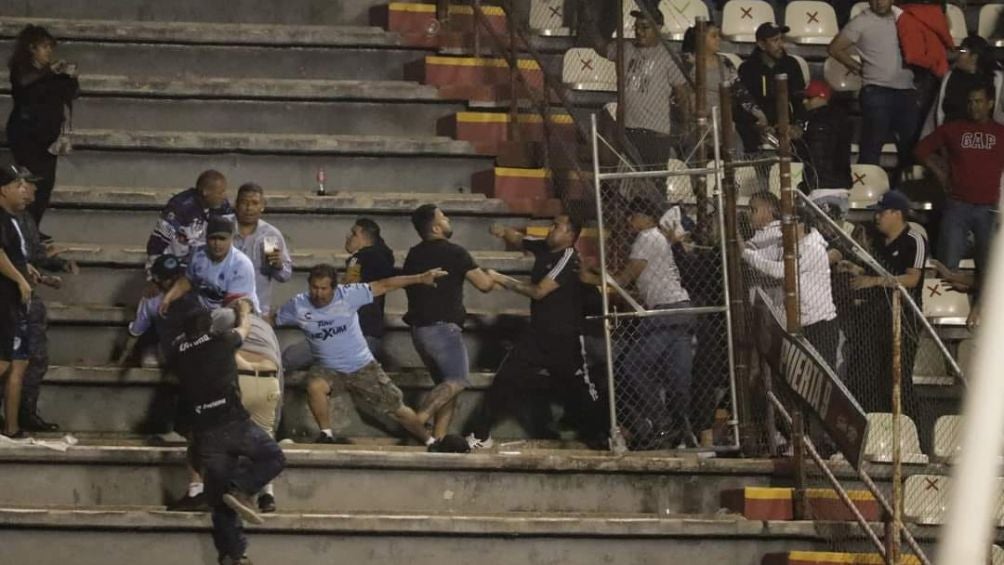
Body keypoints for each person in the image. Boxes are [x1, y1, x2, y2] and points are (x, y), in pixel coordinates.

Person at [276, 263, 452, 448]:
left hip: (362, 366)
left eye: (324, 289)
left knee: (397, 409)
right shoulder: (298, 304)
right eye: (314, 288)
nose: (318, 294)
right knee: (315, 385)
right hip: (328, 367)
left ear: (334, 287)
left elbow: (384, 284)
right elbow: (272, 318)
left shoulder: (349, 294)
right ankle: (326, 434)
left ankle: (429, 440)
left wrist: (419, 278)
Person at [467, 215, 605, 449]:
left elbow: (539, 292)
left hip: (564, 338)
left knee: (579, 390)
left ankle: (605, 433)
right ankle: (481, 435)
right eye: (551, 225)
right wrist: (502, 230)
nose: (551, 230)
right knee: (505, 379)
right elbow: (521, 239)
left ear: (570, 235)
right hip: (537, 335)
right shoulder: (545, 248)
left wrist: (503, 279)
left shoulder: (567, 257)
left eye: (557, 227)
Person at [168, 299, 285, 565]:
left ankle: (233, 555)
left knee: (219, 499)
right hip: (233, 423)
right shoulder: (220, 342)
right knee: (274, 457)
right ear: (209, 327)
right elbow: (243, 329)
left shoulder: (179, 352)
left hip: (205, 432)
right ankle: (241, 489)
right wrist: (243, 311)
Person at [402, 204, 496, 439]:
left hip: (419, 332)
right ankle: (418, 420)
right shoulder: (455, 252)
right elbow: (484, 285)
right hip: (443, 330)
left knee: (446, 388)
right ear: (435, 227)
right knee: (457, 380)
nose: (448, 220)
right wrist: (493, 276)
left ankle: (439, 440)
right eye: (443, 217)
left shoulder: (414, 254)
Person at [608, 199, 695, 449]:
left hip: (666, 312)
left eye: (632, 216)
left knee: (632, 365)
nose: (629, 221)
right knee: (677, 378)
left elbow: (625, 279)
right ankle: (680, 432)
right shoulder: (658, 237)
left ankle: (663, 422)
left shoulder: (646, 237)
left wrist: (597, 276)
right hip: (682, 309)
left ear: (644, 217)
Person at [846, 191, 926, 432]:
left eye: (881, 212)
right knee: (870, 377)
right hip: (875, 316)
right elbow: (876, 271)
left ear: (896, 214)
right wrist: (857, 270)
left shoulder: (914, 239)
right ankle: (875, 430)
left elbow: (912, 279)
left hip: (903, 318)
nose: (876, 217)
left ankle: (910, 432)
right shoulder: (878, 241)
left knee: (898, 379)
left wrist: (872, 281)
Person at [915, 83, 1004, 277]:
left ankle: (981, 307)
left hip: (989, 207)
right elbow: (921, 150)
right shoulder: (953, 129)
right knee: (948, 265)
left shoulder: (1000, 133)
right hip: (957, 205)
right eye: (970, 102)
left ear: (990, 104)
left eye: (979, 101)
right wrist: (939, 170)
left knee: (990, 271)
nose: (974, 106)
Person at [829, 0, 919, 183]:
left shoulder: (903, 17)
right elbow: (834, 48)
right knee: (872, 145)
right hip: (876, 91)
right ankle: (866, 189)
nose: (879, 2)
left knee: (910, 149)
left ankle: (905, 193)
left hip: (907, 91)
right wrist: (856, 67)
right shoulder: (861, 22)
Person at [742, 203, 840, 367]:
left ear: (800, 224)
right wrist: (746, 253)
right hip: (800, 325)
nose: (781, 228)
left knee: (822, 381)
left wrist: (746, 254)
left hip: (820, 326)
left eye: (785, 223)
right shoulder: (791, 245)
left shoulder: (813, 248)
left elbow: (780, 271)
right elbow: (761, 255)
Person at [14, 179, 77, 432]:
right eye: (28, 185)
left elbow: (33, 255)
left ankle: (24, 412)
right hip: (8, 297)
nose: (34, 190)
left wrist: (58, 265)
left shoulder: (25, 218)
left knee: (36, 358)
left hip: (24, 296)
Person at [593, 8, 690, 166]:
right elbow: (601, 47)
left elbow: (682, 94)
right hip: (628, 130)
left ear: (658, 28)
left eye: (645, 27)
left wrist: (685, 124)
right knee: (626, 183)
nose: (639, 31)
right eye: (636, 27)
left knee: (655, 182)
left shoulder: (668, 56)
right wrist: (589, 23)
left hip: (655, 134)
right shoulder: (626, 48)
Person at [5, 25, 79, 234]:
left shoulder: (51, 74)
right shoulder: (21, 70)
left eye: (50, 47)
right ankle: (24, 231)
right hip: (27, 139)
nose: (49, 51)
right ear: (31, 48)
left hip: (49, 140)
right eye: (44, 47)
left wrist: (70, 77)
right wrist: (50, 72)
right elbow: (24, 85)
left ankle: (33, 229)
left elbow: (70, 95)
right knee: (30, 186)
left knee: (45, 187)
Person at [681, 22, 768, 155]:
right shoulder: (688, 61)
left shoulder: (725, 62)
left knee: (737, 150)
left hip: (723, 125)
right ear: (701, 39)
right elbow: (682, 93)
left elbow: (740, 91)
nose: (718, 39)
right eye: (714, 36)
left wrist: (758, 113)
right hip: (697, 126)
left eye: (719, 36)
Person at [160, 216, 260, 315]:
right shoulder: (198, 254)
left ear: (231, 239)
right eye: (213, 238)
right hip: (204, 311)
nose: (217, 243)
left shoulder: (241, 264)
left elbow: (235, 303)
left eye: (222, 239)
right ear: (206, 238)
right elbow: (187, 281)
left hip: (238, 313)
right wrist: (168, 298)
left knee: (228, 317)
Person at [0, 165, 35, 439]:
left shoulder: (13, 219)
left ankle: (11, 427)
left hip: (16, 303)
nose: (24, 191)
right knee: (2, 362)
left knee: (18, 363)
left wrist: (28, 271)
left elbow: (13, 254)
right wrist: (20, 280)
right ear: (3, 189)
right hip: (4, 300)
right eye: (17, 185)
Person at [737, 23, 807, 152]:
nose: (781, 44)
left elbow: (799, 100)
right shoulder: (748, 68)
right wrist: (760, 126)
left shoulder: (791, 65)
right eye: (775, 40)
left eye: (781, 39)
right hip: (758, 125)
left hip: (786, 123)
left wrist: (797, 125)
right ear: (762, 44)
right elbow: (745, 104)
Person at [146, 169, 234, 272]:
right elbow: (160, 239)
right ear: (205, 192)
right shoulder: (180, 207)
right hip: (174, 266)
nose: (224, 196)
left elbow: (229, 236)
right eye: (220, 192)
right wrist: (156, 272)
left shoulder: (223, 207)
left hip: (204, 266)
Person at [922, 34, 1004, 136]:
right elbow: (936, 112)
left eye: (963, 51)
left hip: (984, 138)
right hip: (951, 135)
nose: (958, 55)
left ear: (974, 57)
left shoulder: (996, 80)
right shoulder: (950, 77)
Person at [232, 183, 292, 319]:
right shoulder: (223, 228)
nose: (249, 208)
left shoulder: (270, 235)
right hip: (224, 309)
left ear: (262, 206)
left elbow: (286, 275)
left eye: (254, 203)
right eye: (244, 203)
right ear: (236, 204)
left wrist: (278, 265)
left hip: (257, 311)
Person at [344, 218, 395, 358]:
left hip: (357, 329)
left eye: (354, 234)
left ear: (365, 238)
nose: (348, 237)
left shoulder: (357, 259)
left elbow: (349, 286)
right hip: (372, 329)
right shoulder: (384, 257)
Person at [795, 80, 853, 192]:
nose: (804, 101)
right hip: (838, 183)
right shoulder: (839, 117)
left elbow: (817, 156)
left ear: (821, 97)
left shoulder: (820, 121)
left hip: (823, 185)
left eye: (809, 97)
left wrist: (797, 142)